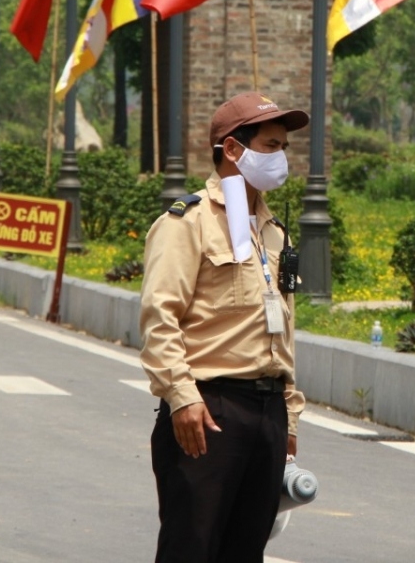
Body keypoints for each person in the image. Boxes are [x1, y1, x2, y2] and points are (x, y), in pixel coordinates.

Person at [139, 91, 309, 563]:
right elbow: (160, 316)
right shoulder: (186, 223)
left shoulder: (273, 231)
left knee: (245, 550)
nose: (280, 158)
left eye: (282, 148)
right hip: (210, 411)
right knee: (191, 548)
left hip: (267, 412)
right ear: (233, 149)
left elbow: (282, 330)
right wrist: (182, 396)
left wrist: (289, 414)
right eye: (271, 146)